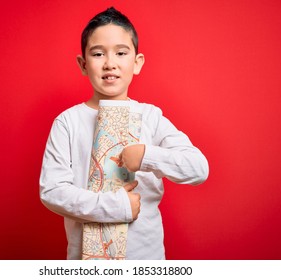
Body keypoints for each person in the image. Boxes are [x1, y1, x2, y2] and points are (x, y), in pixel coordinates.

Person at [39, 7, 209, 260]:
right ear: (83, 65)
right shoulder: (67, 122)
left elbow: (198, 169)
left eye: (121, 53)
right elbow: (52, 191)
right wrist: (115, 207)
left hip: (144, 260)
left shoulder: (151, 117)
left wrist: (147, 156)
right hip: (85, 261)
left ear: (137, 62)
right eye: (98, 54)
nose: (110, 63)